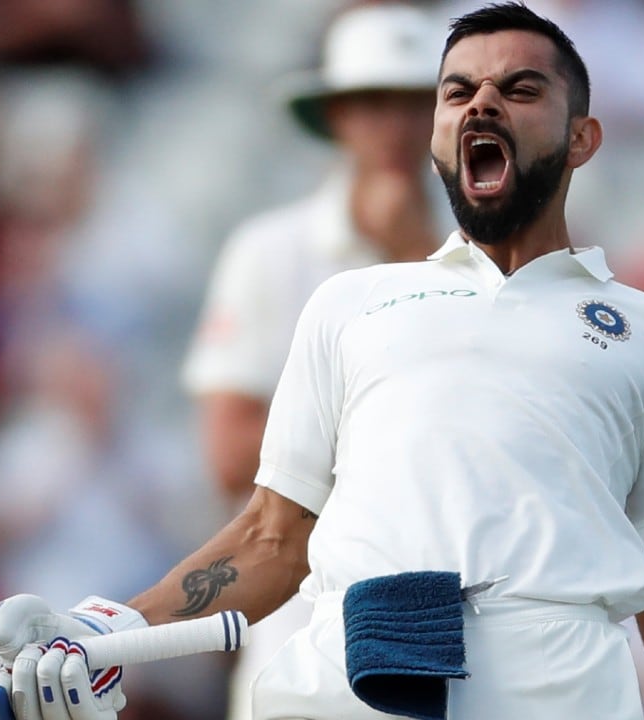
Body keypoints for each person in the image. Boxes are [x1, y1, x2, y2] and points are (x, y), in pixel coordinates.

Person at [0, 4, 644, 719]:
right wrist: (104, 629)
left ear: (584, 137)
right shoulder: (346, 305)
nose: (482, 104)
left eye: (519, 88)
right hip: (339, 692)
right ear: (437, 141)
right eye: (457, 93)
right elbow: (271, 538)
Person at [180, 4, 445, 717]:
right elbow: (230, 455)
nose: (394, 124)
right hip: (303, 624)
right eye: (372, 101)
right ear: (338, 117)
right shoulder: (269, 252)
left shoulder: (495, 257)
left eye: (416, 101)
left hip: (449, 625)